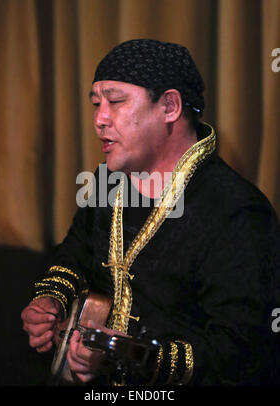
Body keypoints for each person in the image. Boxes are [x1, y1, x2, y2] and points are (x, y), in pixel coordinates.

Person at [21, 39, 280, 386]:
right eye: (97, 103)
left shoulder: (237, 211)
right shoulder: (107, 180)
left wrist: (128, 356)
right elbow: (75, 254)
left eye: (115, 101)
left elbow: (243, 349)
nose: (99, 119)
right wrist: (51, 298)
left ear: (170, 106)